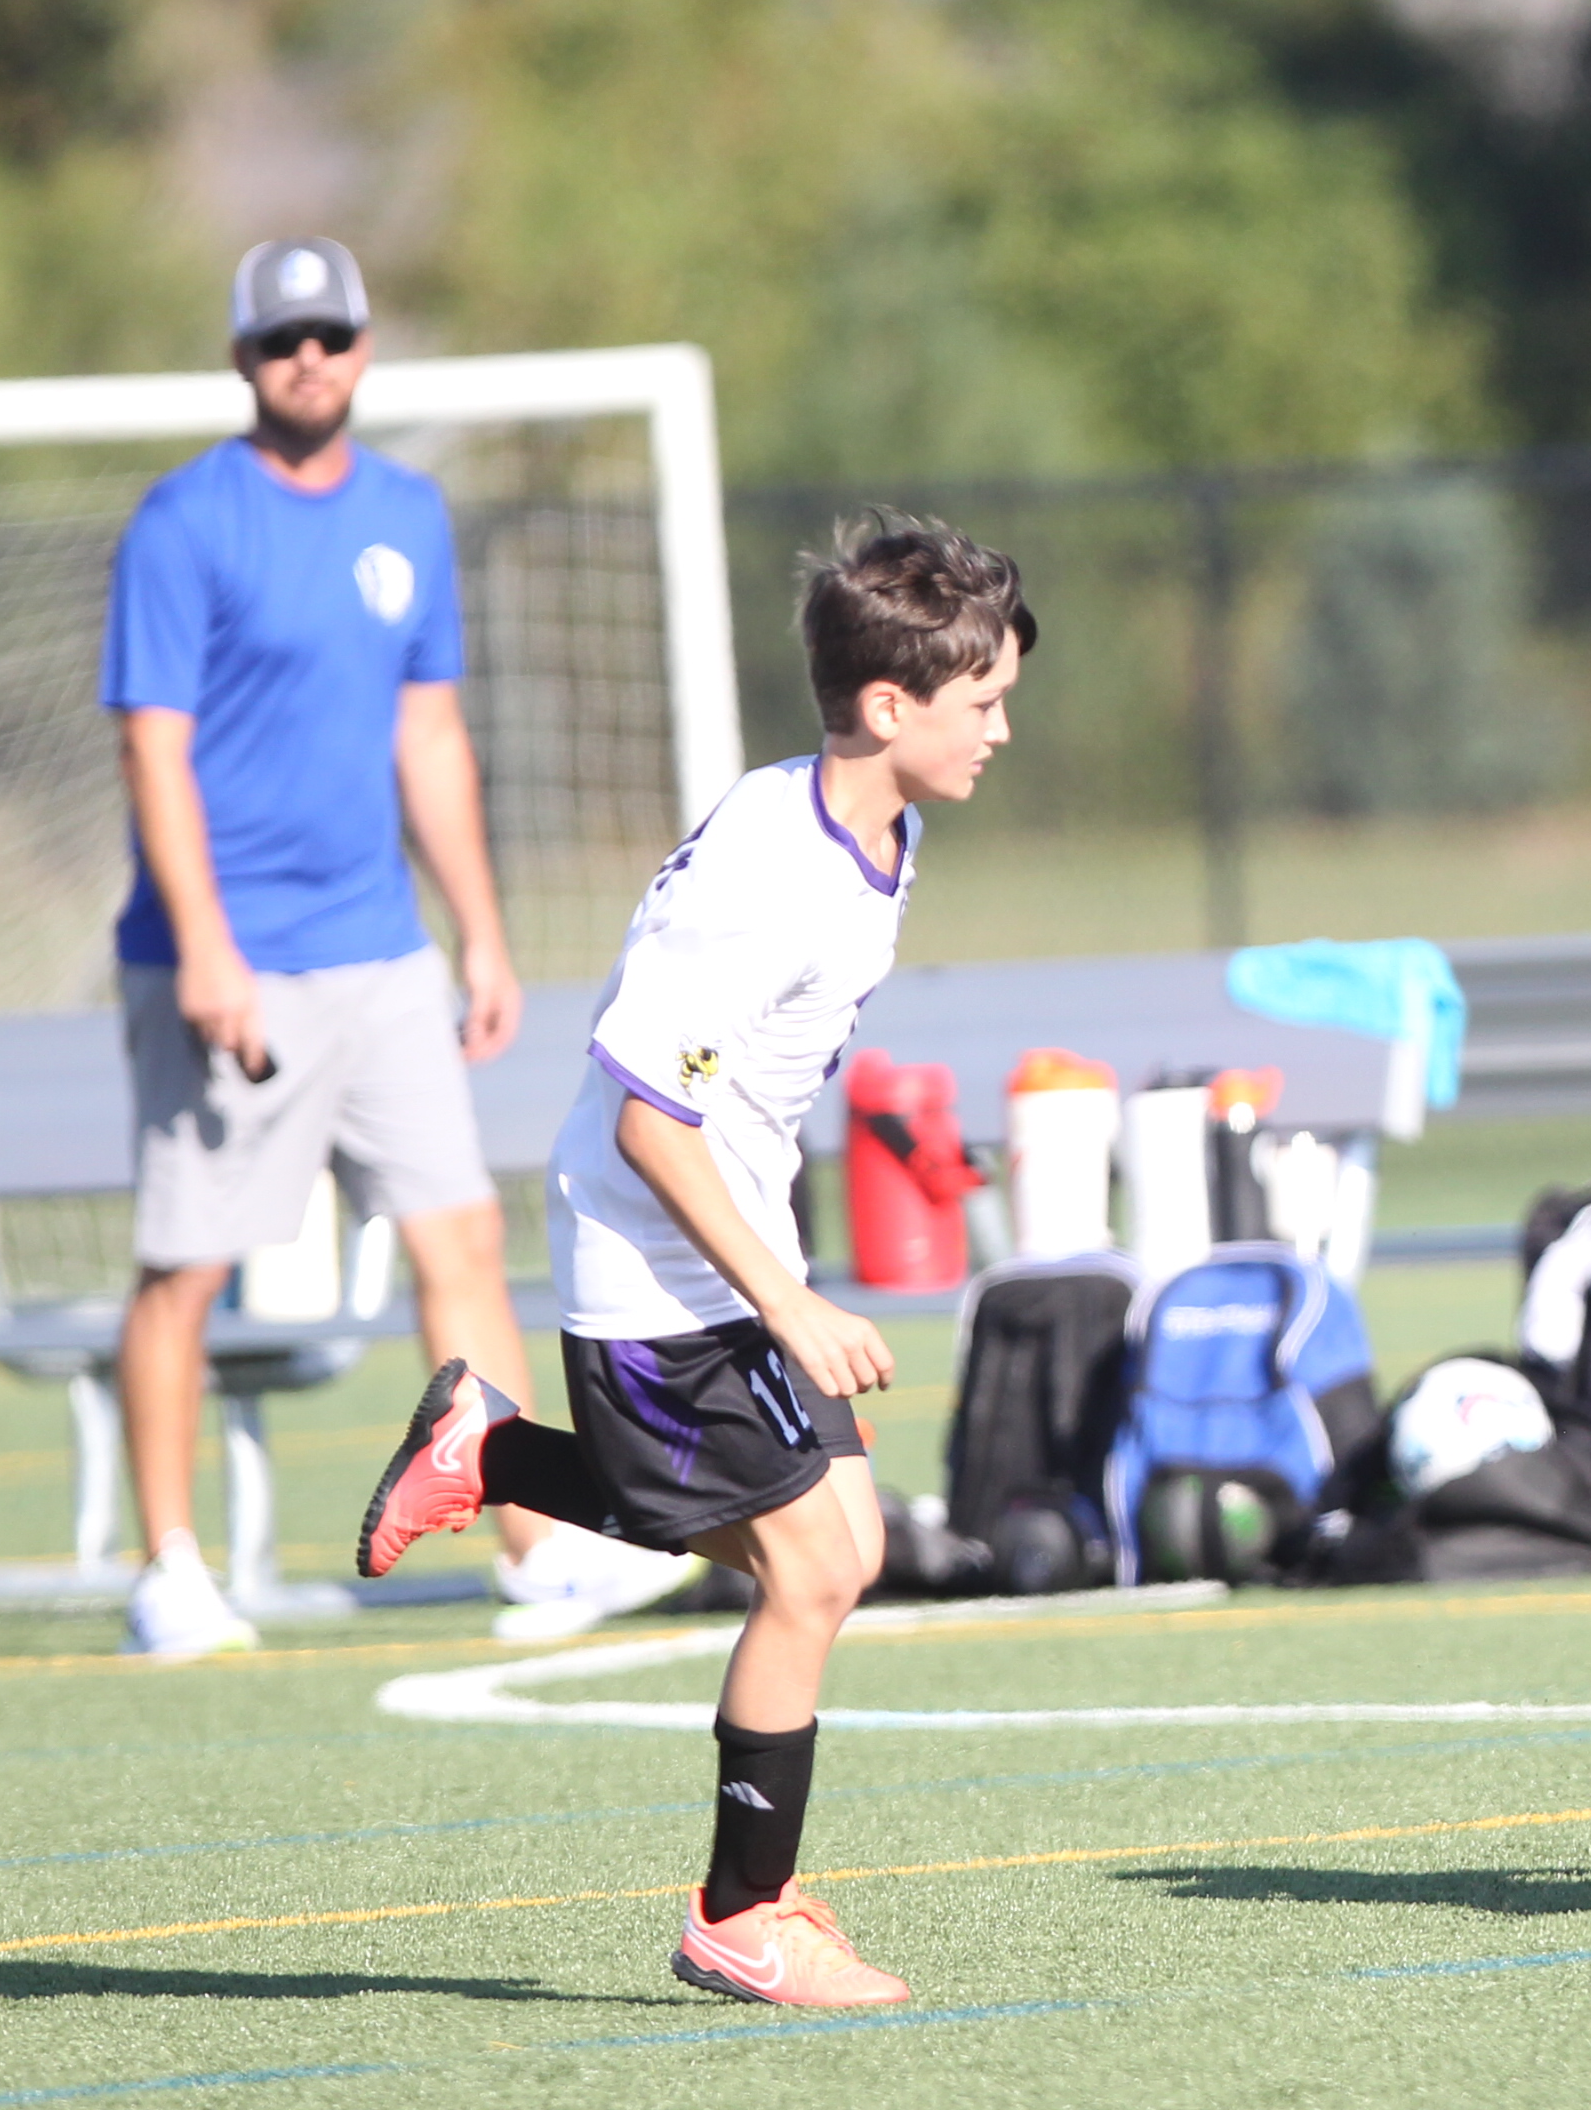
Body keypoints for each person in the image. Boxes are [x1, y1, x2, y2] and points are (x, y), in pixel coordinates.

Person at [352, 517, 1032, 2008]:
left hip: (734, 1241)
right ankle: (742, 1916)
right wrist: (788, 1303)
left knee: (839, 1552)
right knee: (815, 1569)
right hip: (661, 1265)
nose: (1000, 728)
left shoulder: (877, 830)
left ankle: (492, 1455)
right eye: (980, 700)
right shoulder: (768, 878)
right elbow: (651, 1119)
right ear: (887, 705)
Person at [103, 235, 692, 1657]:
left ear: (364, 348)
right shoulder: (184, 523)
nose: (308, 358)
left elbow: (429, 736)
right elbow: (153, 748)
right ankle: (167, 1570)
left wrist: (479, 931)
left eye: (330, 334)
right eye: (280, 338)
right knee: (187, 1265)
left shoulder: (408, 516)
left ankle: (535, 1554)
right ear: (243, 359)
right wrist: (206, 946)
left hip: (380, 951)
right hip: (232, 962)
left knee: (462, 1233)